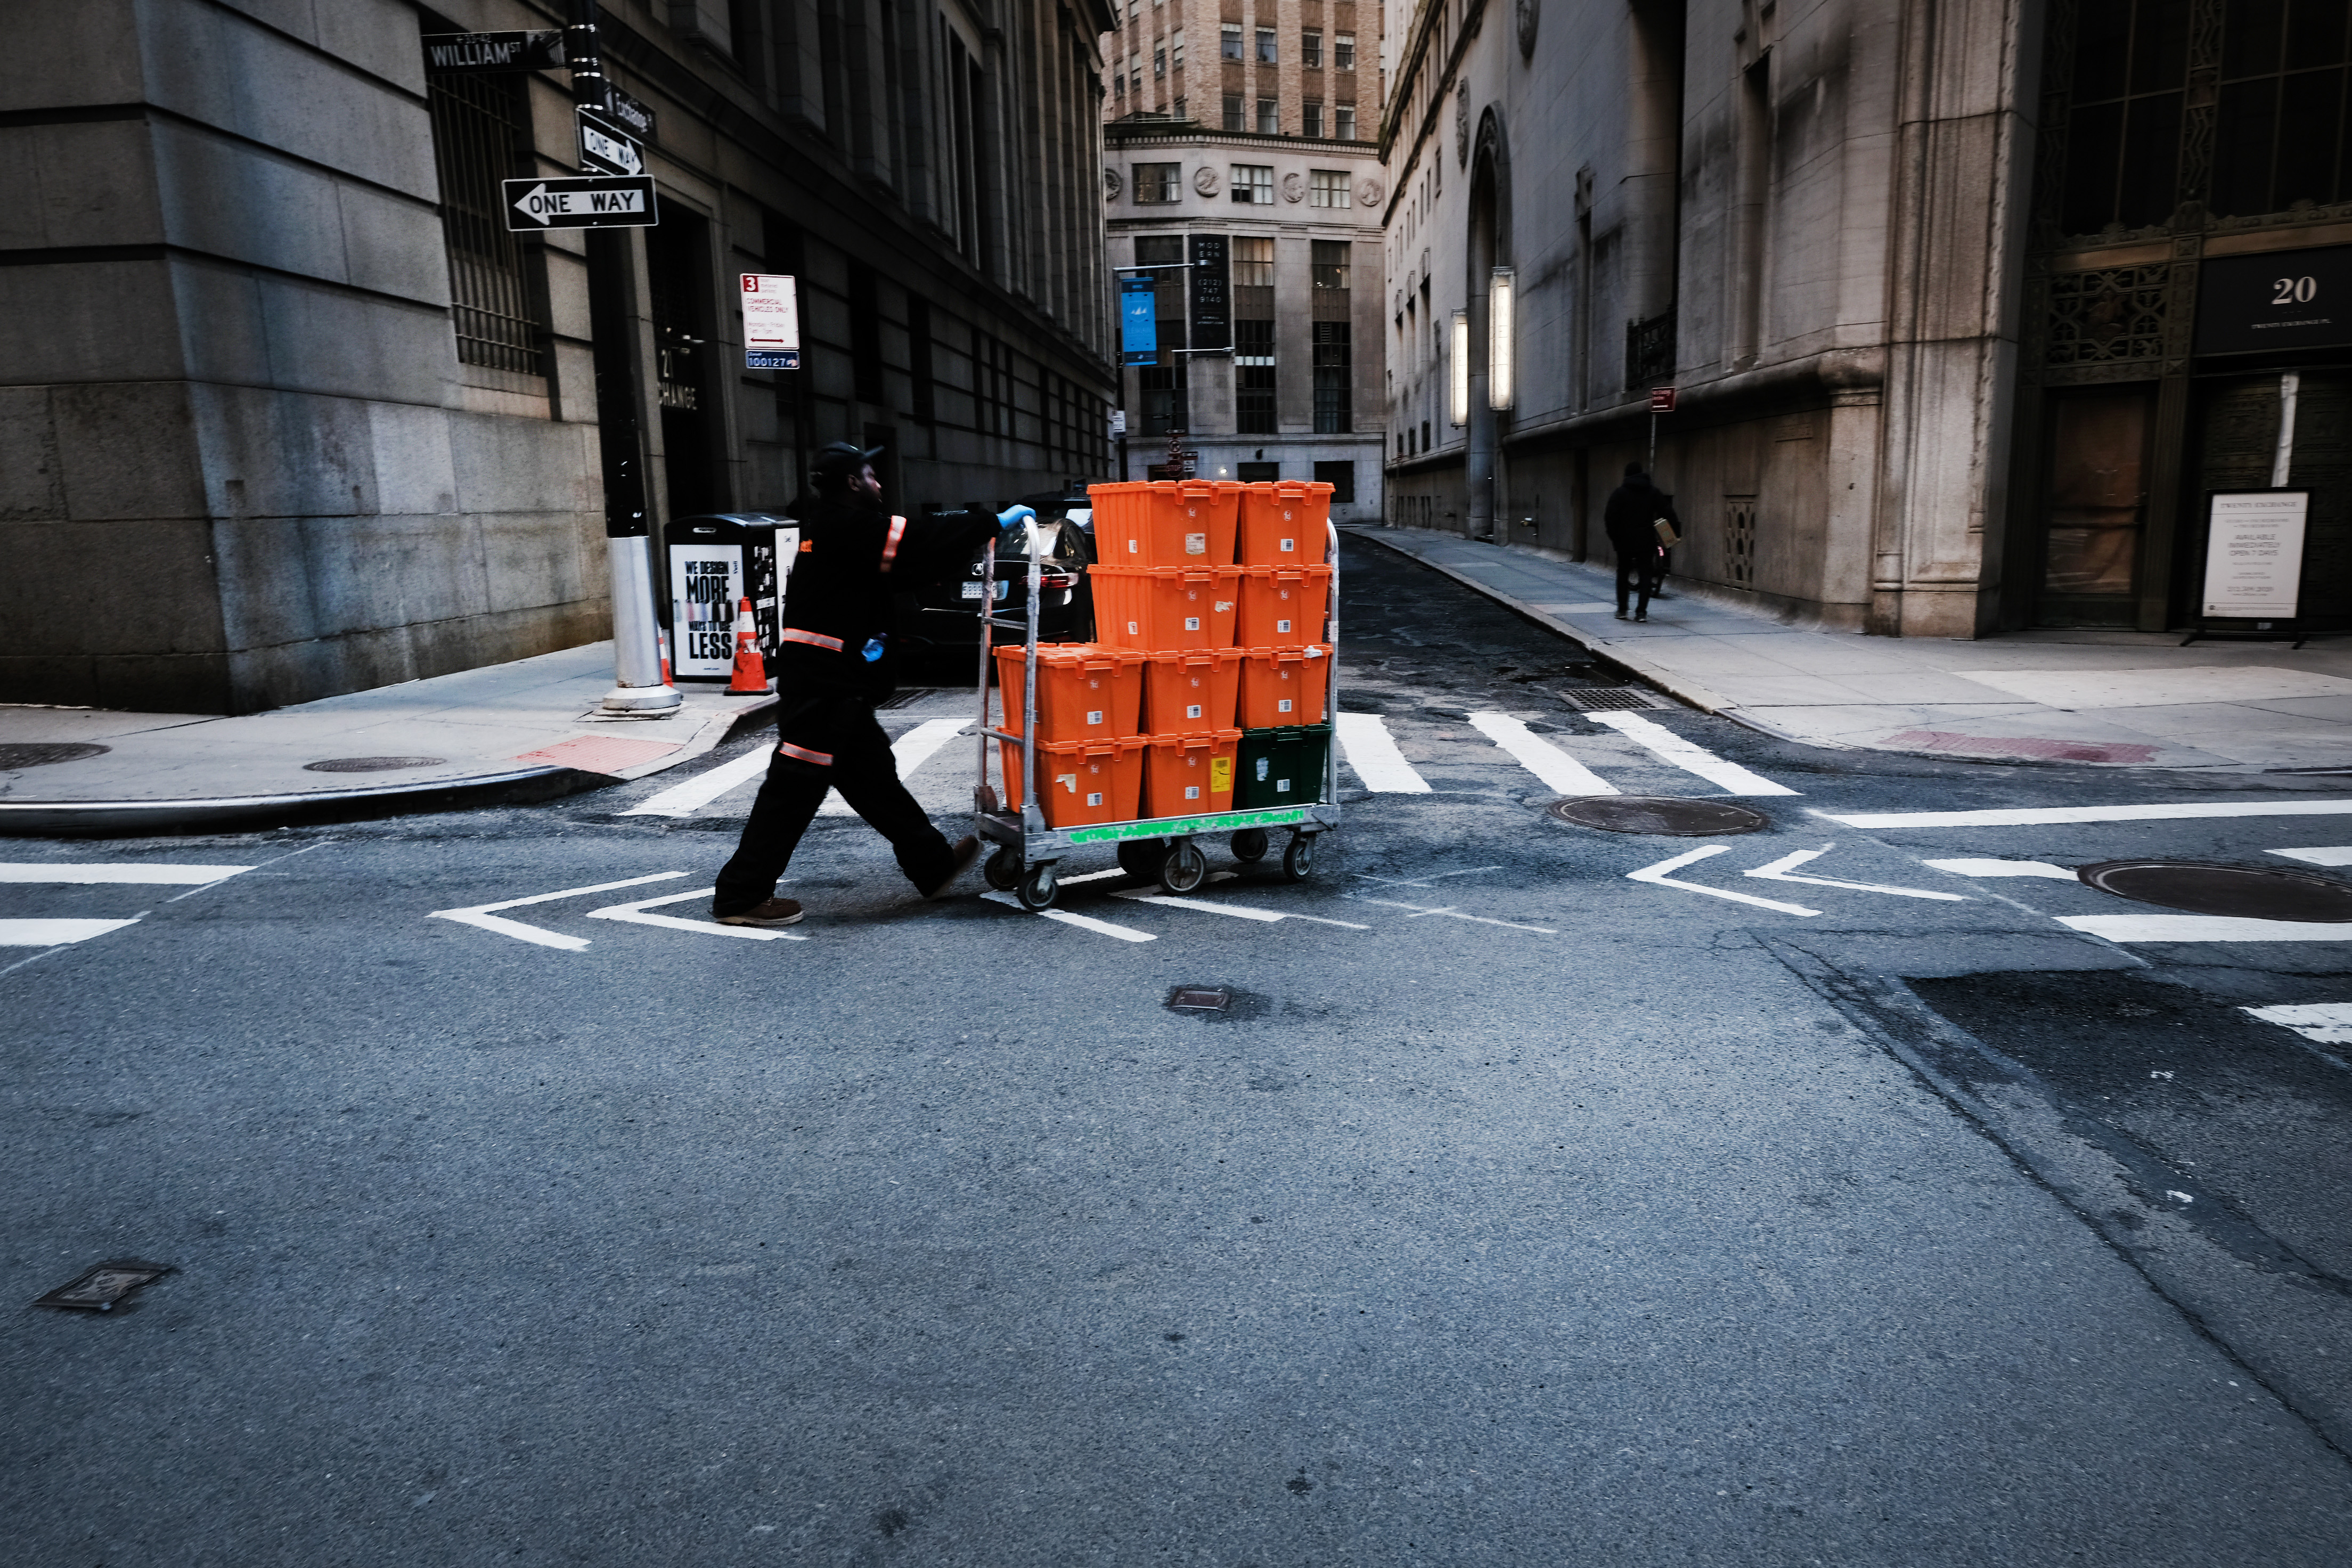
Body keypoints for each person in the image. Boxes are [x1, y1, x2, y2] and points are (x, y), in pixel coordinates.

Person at [710, 443, 1012, 927]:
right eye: (870, 475)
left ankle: (931, 865)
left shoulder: (840, 531)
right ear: (852, 482)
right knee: (791, 792)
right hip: (823, 688)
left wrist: (971, 539)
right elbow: (916, 539)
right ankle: (741, 896)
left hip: (836, 684)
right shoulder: (844, 525)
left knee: (874, 780)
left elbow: (912, 568)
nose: (878, 482)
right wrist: (989, 522)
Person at [1602, 461, 1679, 622]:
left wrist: (1615, 538)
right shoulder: (1652, 492)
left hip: (1624, 541)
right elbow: (1667, 512)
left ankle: (1622, 609)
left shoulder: (1619, 494)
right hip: (1646, 540)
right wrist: (1676, 532)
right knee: (1646, 574)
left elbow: (1610, 518)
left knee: (1623, 573)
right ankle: (1641, 612)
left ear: (1627, 476)